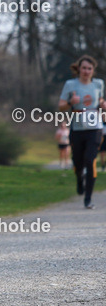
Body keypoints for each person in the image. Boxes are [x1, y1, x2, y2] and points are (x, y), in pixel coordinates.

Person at [58, 55, 106, 209]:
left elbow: (100, 102)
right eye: (84, 68)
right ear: (79, 69)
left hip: (95, 129)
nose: (86, 71)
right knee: (78, 161)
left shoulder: (99, 84)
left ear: (93, 71)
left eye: (89, 68)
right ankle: (79, 177)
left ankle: (88, 198)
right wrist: (70, 103)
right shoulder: (70, 84)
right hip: (77, 129)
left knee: (90, 159)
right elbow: (61, 106)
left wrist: (103, 105)